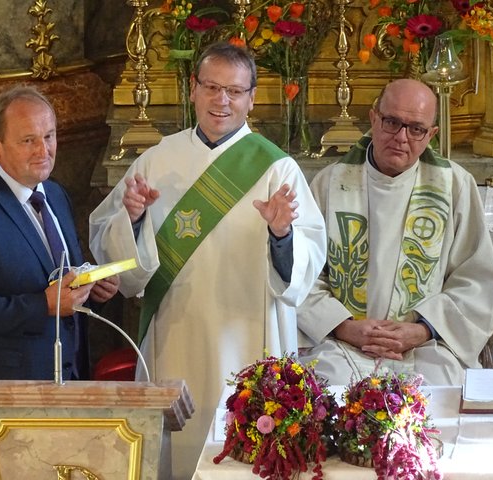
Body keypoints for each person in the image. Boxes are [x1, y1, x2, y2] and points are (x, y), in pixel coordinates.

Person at [89, 42, 326, 479]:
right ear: (193, 89)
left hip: (250, 339)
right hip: (176, 331)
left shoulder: (277, 169)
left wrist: (281, 234)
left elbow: (307, 264)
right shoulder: (157, 159)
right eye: (212, 87)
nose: (222, 101)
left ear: (252, 98)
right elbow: (111, 247)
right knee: (178, 454)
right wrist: (134, 219)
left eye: (235, 91)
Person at [0, 86, 120, 479]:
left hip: (59, 396)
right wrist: (44, 305)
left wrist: (89, 292)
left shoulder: (55, 195)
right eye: (29, 140)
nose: (44, 150)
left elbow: (56, 281)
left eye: (49, 136)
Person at [297, 79, 493, 387]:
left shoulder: (454, 186)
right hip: (344, 345)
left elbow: (476, 281)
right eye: (391, 122)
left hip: (426, 345)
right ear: (373, 118)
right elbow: (304, 275)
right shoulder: (330, 184)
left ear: (431, 134)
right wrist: (343, 326)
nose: (401, 137)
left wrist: (421, 330)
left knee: (443, 388)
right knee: (327, 386)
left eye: (416, 128)